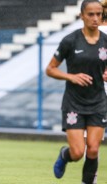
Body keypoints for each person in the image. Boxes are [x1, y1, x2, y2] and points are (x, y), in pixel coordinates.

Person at [46, 0, 107, 183]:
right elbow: (50, 69)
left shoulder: (105, 41)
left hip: (98, 102)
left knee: (94, 149)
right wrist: (71, 77)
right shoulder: (70, 41)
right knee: (78, 152)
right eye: (90, 14)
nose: (95, 18)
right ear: (82, 16)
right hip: (74, 103)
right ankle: (65, 154)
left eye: (99, 14)